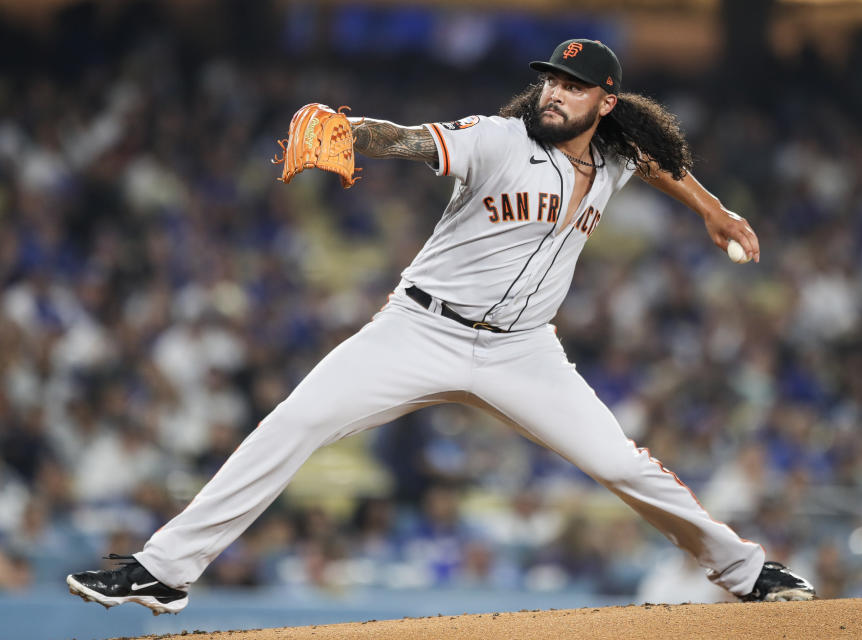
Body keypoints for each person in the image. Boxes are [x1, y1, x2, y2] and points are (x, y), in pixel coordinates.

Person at [66, 38, 815, 614]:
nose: (555, 93)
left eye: (574, 86)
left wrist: (716, 212)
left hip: (524, 352)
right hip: (418, 332)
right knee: (293, 422)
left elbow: (656, 161)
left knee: (622, 466)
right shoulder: (499, 137)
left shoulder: (615, 157)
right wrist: (353, 130)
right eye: (551, 79)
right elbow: (412, 139)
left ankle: (745, 572)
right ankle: (164, 572)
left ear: (606, 103)